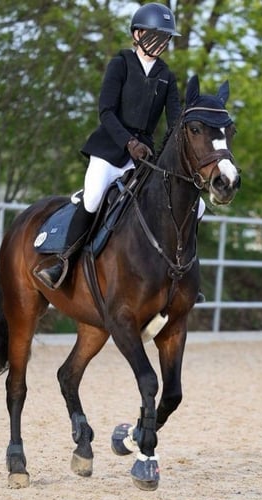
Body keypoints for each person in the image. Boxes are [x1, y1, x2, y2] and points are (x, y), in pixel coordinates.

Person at [37, 2, 202, 290]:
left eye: (164, 37)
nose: (160, 42)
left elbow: (175, 122)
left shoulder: (166, 75)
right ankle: (63, 261)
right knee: (93, 197)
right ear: (137, 34)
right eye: (155, 35)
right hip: (111, 148)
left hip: (145, 157)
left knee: (192, 206)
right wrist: (129, 142)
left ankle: (184, 274)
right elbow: (106, 111)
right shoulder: (121, 64)